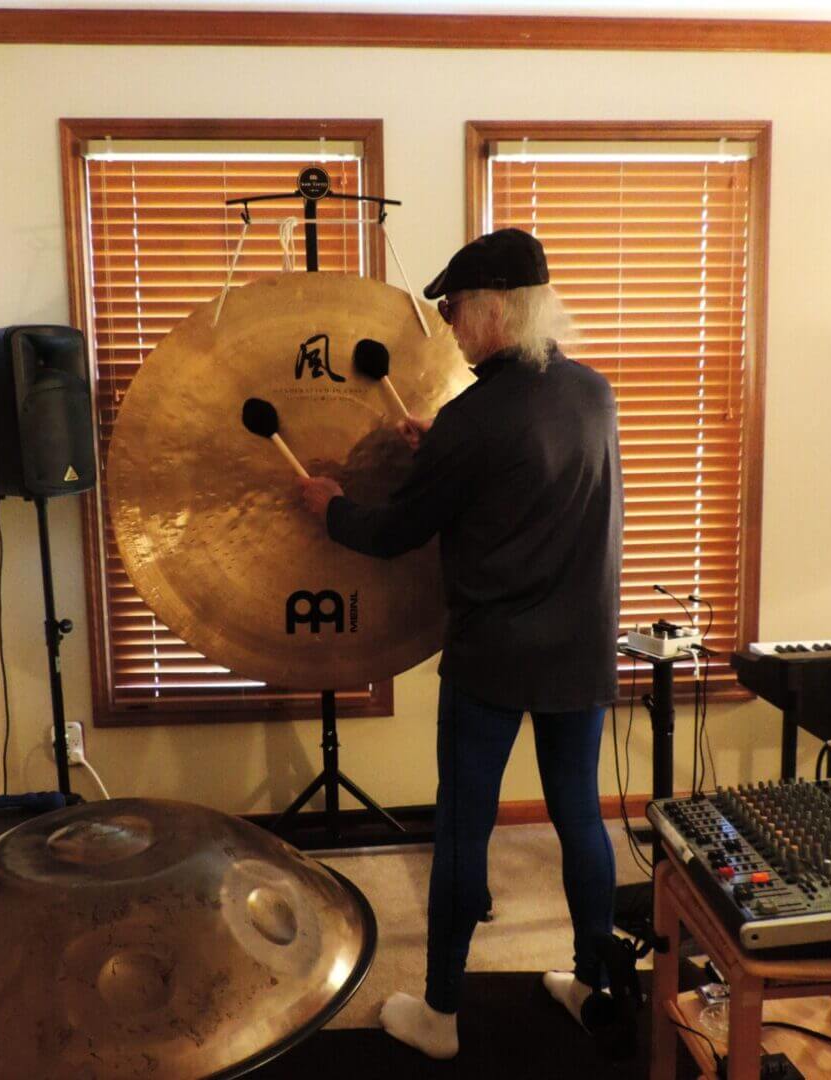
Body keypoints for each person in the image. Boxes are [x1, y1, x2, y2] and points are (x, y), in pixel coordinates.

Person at [297, 228, 623, 1060]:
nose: (445, 321)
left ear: (495, 309)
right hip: (581, 649)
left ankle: (441, 1015)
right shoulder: (594, 393)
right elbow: (524, 480)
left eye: (454, 307)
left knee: (464, 832)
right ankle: (596, 984)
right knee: (581, 817)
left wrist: (327, 506)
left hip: (494, 657)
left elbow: (396, 531)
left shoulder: (476, 419)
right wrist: (435, 447)